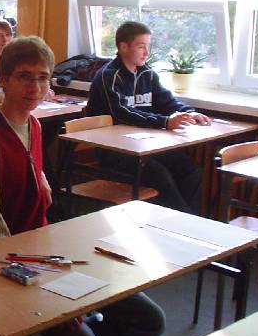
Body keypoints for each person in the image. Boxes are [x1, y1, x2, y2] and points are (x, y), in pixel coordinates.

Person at [0, 36, 165, 336]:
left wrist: (41, 181)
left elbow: (30, 186)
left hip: (47, 255)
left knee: (148, 319)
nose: (35, 87)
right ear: (3, 79)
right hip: (13, 272)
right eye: (24, 77)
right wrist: (53, 297)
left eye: (43, 77)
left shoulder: (32, 125)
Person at [86, 21, 208, 213]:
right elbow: (122, 113)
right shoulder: (108, 76)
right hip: (116, 151)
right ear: (123, 47)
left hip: (145, 145)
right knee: (160, 176)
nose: (146, 52)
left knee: (190, 169)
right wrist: (165, 122)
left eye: (148, 46)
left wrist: (189, 112)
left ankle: (187, 220)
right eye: (141, 47)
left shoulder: (147, 73)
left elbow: (166, 100)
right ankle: (182, 221)